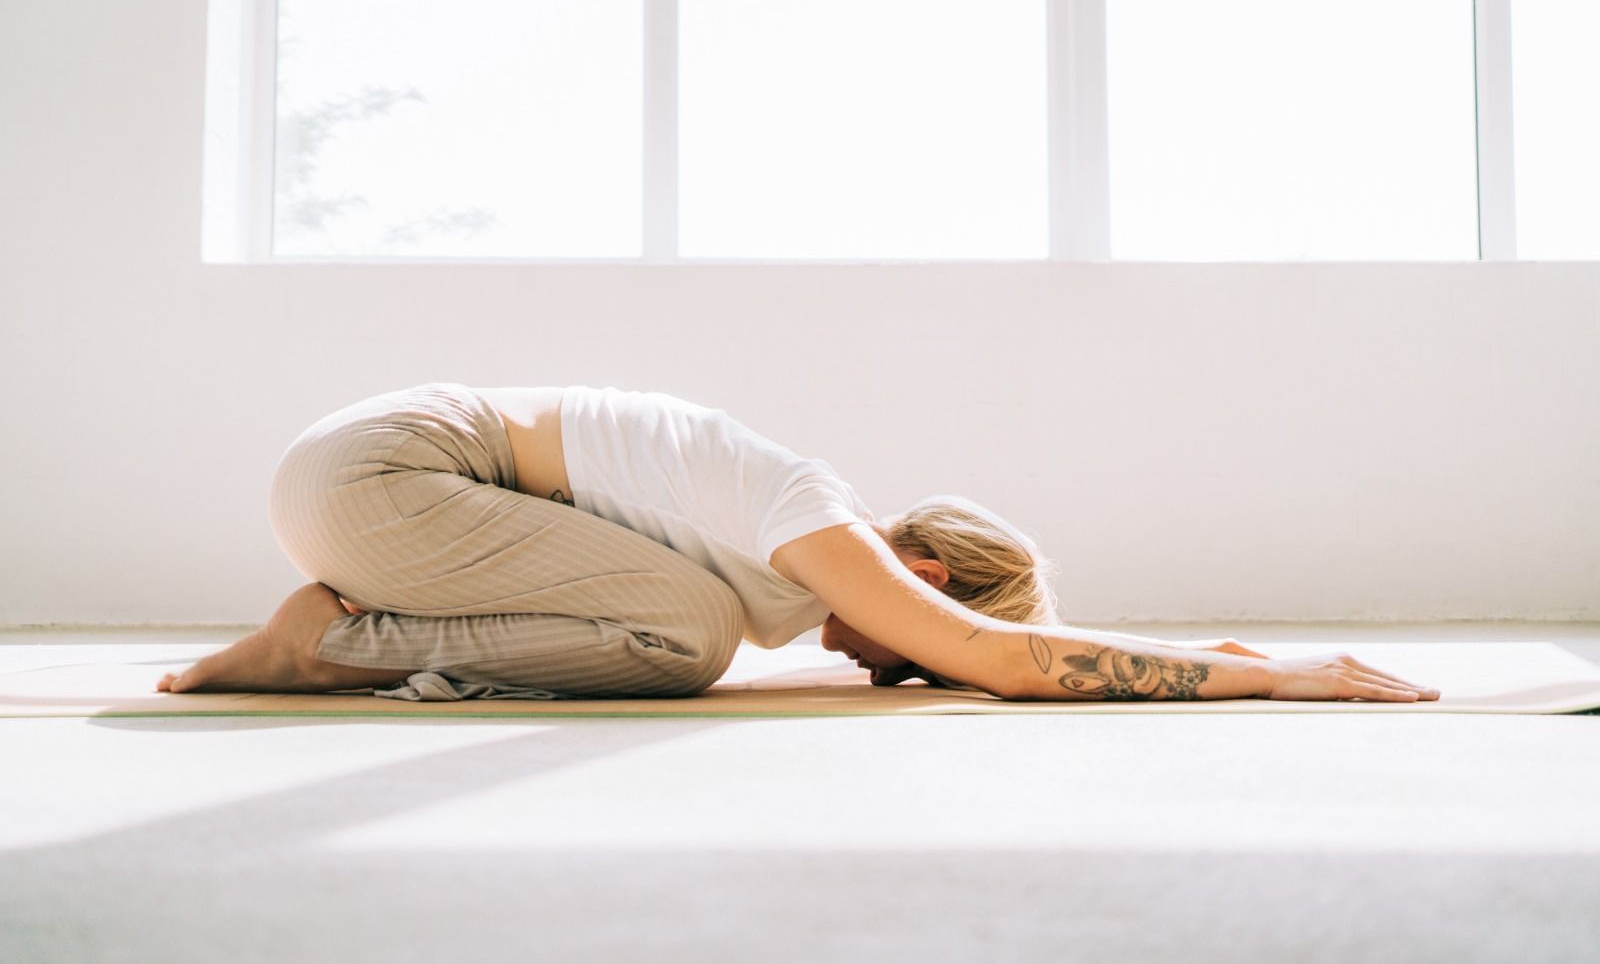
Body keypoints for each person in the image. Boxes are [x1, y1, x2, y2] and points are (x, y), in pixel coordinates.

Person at [157, 382, 1440, 704]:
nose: (892, 671)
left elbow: (983, 648)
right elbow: (1000, 657)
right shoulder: (810, 517)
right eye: (910, 656)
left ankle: (335, 634)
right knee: (687, 637)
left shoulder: (775, 541)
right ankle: (325, 645)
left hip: (374, 480)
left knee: (681, 626)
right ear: (923, 577)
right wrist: (1258, 670)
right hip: (391, 474)